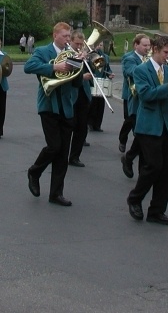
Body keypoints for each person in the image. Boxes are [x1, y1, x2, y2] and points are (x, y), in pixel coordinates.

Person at [126, 35, 168, 225]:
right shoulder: (141, 70)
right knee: (153, 166)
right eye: (165, 53)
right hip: (149, 125)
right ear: (155, 50)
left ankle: (157, 211)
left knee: (166, 171)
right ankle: (135, 199)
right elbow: (146, 95)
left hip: (166, 124)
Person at [24, 22, 82, 206]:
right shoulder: (43, 51)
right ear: (55, 35)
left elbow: (76, 83)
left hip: (66, 106)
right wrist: (54, 67)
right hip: (48, 105)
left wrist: (80, 64)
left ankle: (56, 193)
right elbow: (28, 67)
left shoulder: (71, 53)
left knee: (63, 153)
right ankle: (34, 171)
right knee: (54, 146)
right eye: (65, 36)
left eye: (69, 36)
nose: (68, 39)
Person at [119, 34, 151, 177]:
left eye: (149, 45)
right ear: (136, 45)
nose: (147, 48)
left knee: (142, 134)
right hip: (133, 97)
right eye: (144, 45)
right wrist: (149, 66)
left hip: (145, 98)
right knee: (133, 125)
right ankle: (129, 154)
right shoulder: (129, 58)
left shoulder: (148, 58)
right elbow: (131, 72)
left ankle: (131, 158)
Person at [68, 30, 92, 167]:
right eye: (76, 43)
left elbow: (92, 70)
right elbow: (69, 75)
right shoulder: (67, 54)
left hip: (84, 94)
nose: (78, 46)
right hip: (72, 94)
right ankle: (64, 155)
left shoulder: (83, 54)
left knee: (82, 128)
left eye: (80, 44)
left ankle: (75, 157)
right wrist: (82, 76)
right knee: (70, 126)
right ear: (71, 41)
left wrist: (90, 61)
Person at [86, 41, 113, 133]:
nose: (98, 47)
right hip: (92, 81)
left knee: (100, 104)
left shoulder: (105, 57)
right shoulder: (90, 56)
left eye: (100, 45)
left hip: (101, 81)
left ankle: (97, 125)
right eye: (97, 45)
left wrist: (110, 74)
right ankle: (90, 123)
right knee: (92, 104)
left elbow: (107, 69)